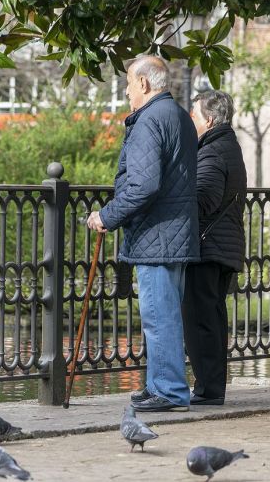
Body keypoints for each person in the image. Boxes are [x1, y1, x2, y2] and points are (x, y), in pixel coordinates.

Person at [87, 56, 199, 412]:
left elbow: (143, 185)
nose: (126, 91)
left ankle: (168, 391)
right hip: (175, 232)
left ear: (144, 84)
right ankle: (158, 385)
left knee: (158, 314)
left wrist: (107, 216)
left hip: (157, 236)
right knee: (164, 313)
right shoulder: (179, 116)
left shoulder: (150, 120)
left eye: (128, 84)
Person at [182, 90, 247, 405]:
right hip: (222, 245)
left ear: (208, 119)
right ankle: (211, 388)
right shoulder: (226, 146)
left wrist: (176, 195)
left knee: (201, 319)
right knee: (211, 318)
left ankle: (208, 390)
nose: (190, 120)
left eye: (193, 115)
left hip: (209, 248)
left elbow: (204, 198)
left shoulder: (212, 151)